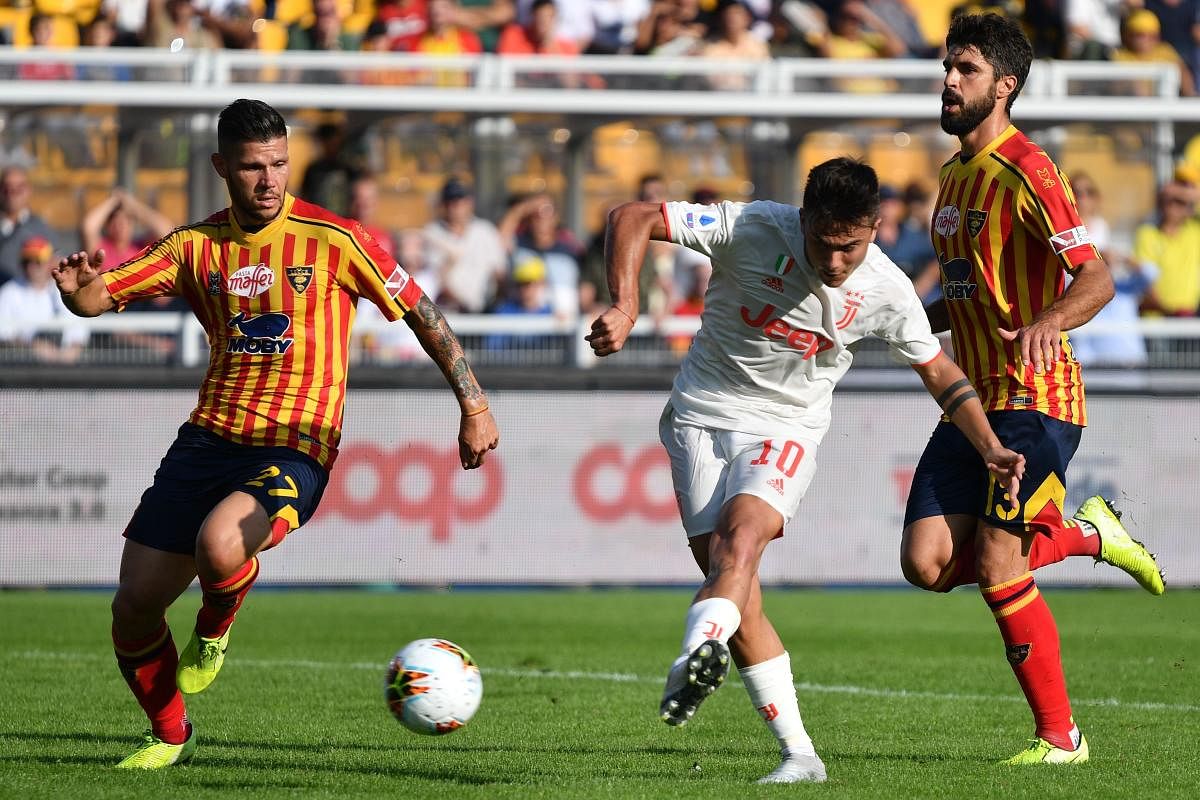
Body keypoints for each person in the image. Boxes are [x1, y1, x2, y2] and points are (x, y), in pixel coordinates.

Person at [50, 99, 499, 769]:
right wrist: (74, 289)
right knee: (134, 609)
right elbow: (95, 298)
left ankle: (214, 626)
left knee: (219, 543)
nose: (269, 180)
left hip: (298, 440)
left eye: (280, 164)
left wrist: (474, 403)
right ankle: (169, 734)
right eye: (254, 167)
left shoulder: (336, 239)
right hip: (207, 439)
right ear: (222, 167)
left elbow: (420, 312)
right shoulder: (195, 247)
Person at [586, 156, 1027, 784]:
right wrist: (626, 305)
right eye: (824, 243)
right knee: (736, 591)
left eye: (850, 246)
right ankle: (800, 755)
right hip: (698, 417)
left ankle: (694, 649)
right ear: (804, 218)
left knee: (741, 546)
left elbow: (940, 372)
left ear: (874, 228)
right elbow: (631, 216)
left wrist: (987, 444)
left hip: (787, 426)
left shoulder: (886, 288)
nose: (836, 261)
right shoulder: (751, 227)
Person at [902, 12, 1164, 767]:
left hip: (1037, 395)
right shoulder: (951, 181)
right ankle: (1089, 534)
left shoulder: (1030, 170)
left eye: (967, 70)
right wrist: (890, 325)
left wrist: (1049, 321)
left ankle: (1061, 740)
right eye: (948, 66)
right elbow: (959, 296)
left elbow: (1098, 278)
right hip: (975, 402)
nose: (949, 81)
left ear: (1004, 86)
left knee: (996, 564)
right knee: (925, 564)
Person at [422, 176, 506, 312]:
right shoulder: (432, 233)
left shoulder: (485, 231)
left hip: (485, 312)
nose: (456, 206)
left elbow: (499, 273)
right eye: (451, 201)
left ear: (470, 202)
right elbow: (435, 279)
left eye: (460, 200)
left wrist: (494, 304)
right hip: (449, 314)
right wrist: (463, 305)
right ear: (443, 204)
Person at [0, 236, 88, 363]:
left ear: (51, 262)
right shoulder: (9, 293)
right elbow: (3, 337)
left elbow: (78, 335)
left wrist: (66, 356)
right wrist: (32, 348)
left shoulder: (65, 291)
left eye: (37, 261)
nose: (31, 267)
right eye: (27, 261)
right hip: (22, 367)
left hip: (65, 369)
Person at [0, 166, 56, 287]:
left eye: (19, 188)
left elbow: (54, 264)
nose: (12, 193)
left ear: (28, 190)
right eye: (6, 188)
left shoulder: (42, 229)